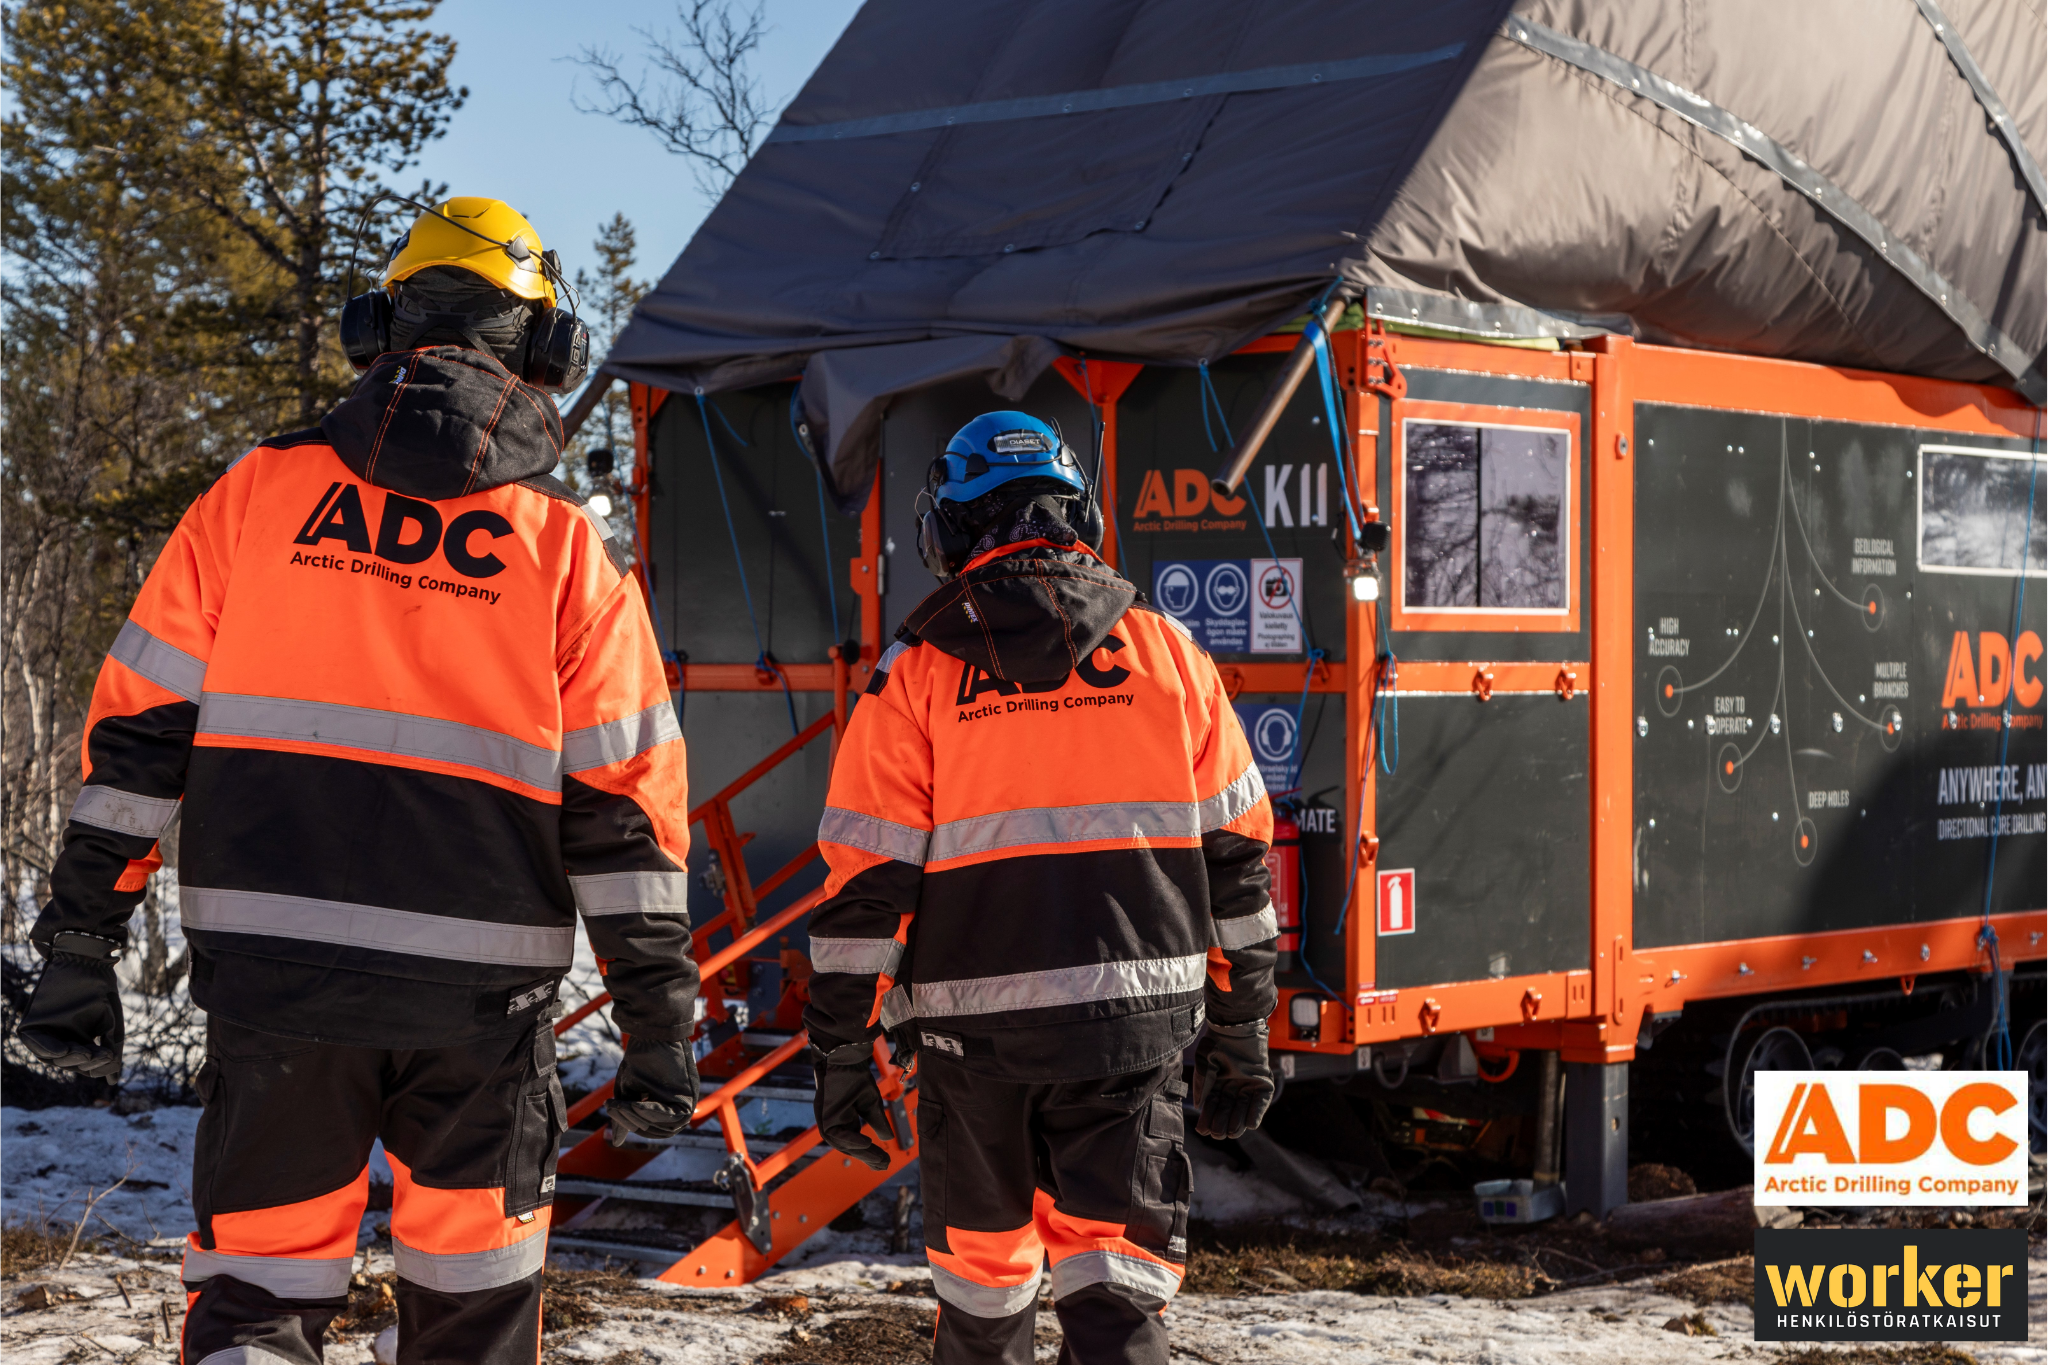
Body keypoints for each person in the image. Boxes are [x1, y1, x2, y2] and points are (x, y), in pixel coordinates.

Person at [16, 198, 701, 1365]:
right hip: (483, 1013)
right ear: (540, 348)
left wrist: (83, 941)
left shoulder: (257, 496)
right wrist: (656, 1019)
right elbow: (623, 807)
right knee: (473, 1319)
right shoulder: (564, 551)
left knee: (257, 1301)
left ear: (378, 326)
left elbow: (137, 738)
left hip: (276, 987)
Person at [803, 411, 1278, 1365]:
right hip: (1133, 1037)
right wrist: (1244, 1025)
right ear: (1079, 511)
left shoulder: (917, 672)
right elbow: (1238, 858)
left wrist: (843, 1051)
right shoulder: (1168, 652)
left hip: (972, 1047)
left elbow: (868, 888)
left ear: (949, 527)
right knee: (1117, 1302)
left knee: (984, 1308)